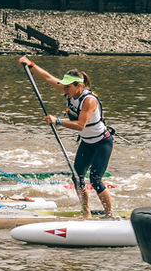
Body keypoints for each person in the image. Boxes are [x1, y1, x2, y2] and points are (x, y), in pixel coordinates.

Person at [20, 57, 115, 218]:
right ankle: (86, 212)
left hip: (102, 143)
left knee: (95, 180)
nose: (64, 89)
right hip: (87, 143)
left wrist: (57, 121)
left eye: (68, 86)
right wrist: (31, 65)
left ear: (78, 85)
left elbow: (80, 125)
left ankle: (110, 215)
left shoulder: (89, 101)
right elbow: (49, 78)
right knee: (77, 177)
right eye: (64, 86)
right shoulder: (70, 91)